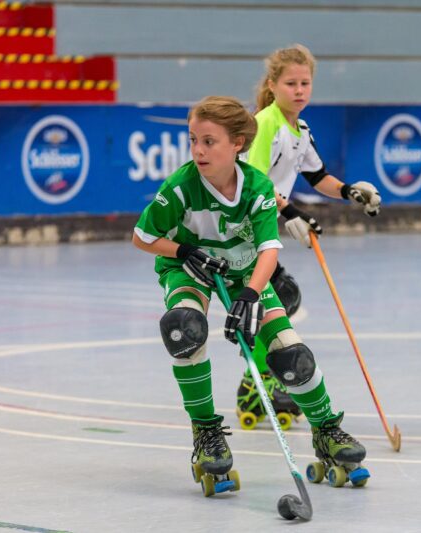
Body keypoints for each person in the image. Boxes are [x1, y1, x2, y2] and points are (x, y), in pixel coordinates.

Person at [132, 96, 367, 491]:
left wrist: (251, 295)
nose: (198, 150)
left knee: (291, 353)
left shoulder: (257, 187)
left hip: (243, 270)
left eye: (209, 142)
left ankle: (326, 430)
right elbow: (142, 237)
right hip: (190, 268)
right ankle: (207, 433)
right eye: (193, 140)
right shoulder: (180, 188)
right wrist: (185, 251)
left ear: (237, 143)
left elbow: (269, 250)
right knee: (183, 329)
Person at [234, 44, 382, 429]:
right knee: (274, 300)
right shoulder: (265, 123)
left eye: (305, 83)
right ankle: (257, 382)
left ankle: (258, 379)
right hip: (240, 229)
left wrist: (349, 191)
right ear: (272, 85)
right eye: (291, 83)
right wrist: (290, 211)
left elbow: (318, 177)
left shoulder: (300, 131)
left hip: (261, 228)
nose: (299, 90)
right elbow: (254, 181)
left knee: (283, 297)